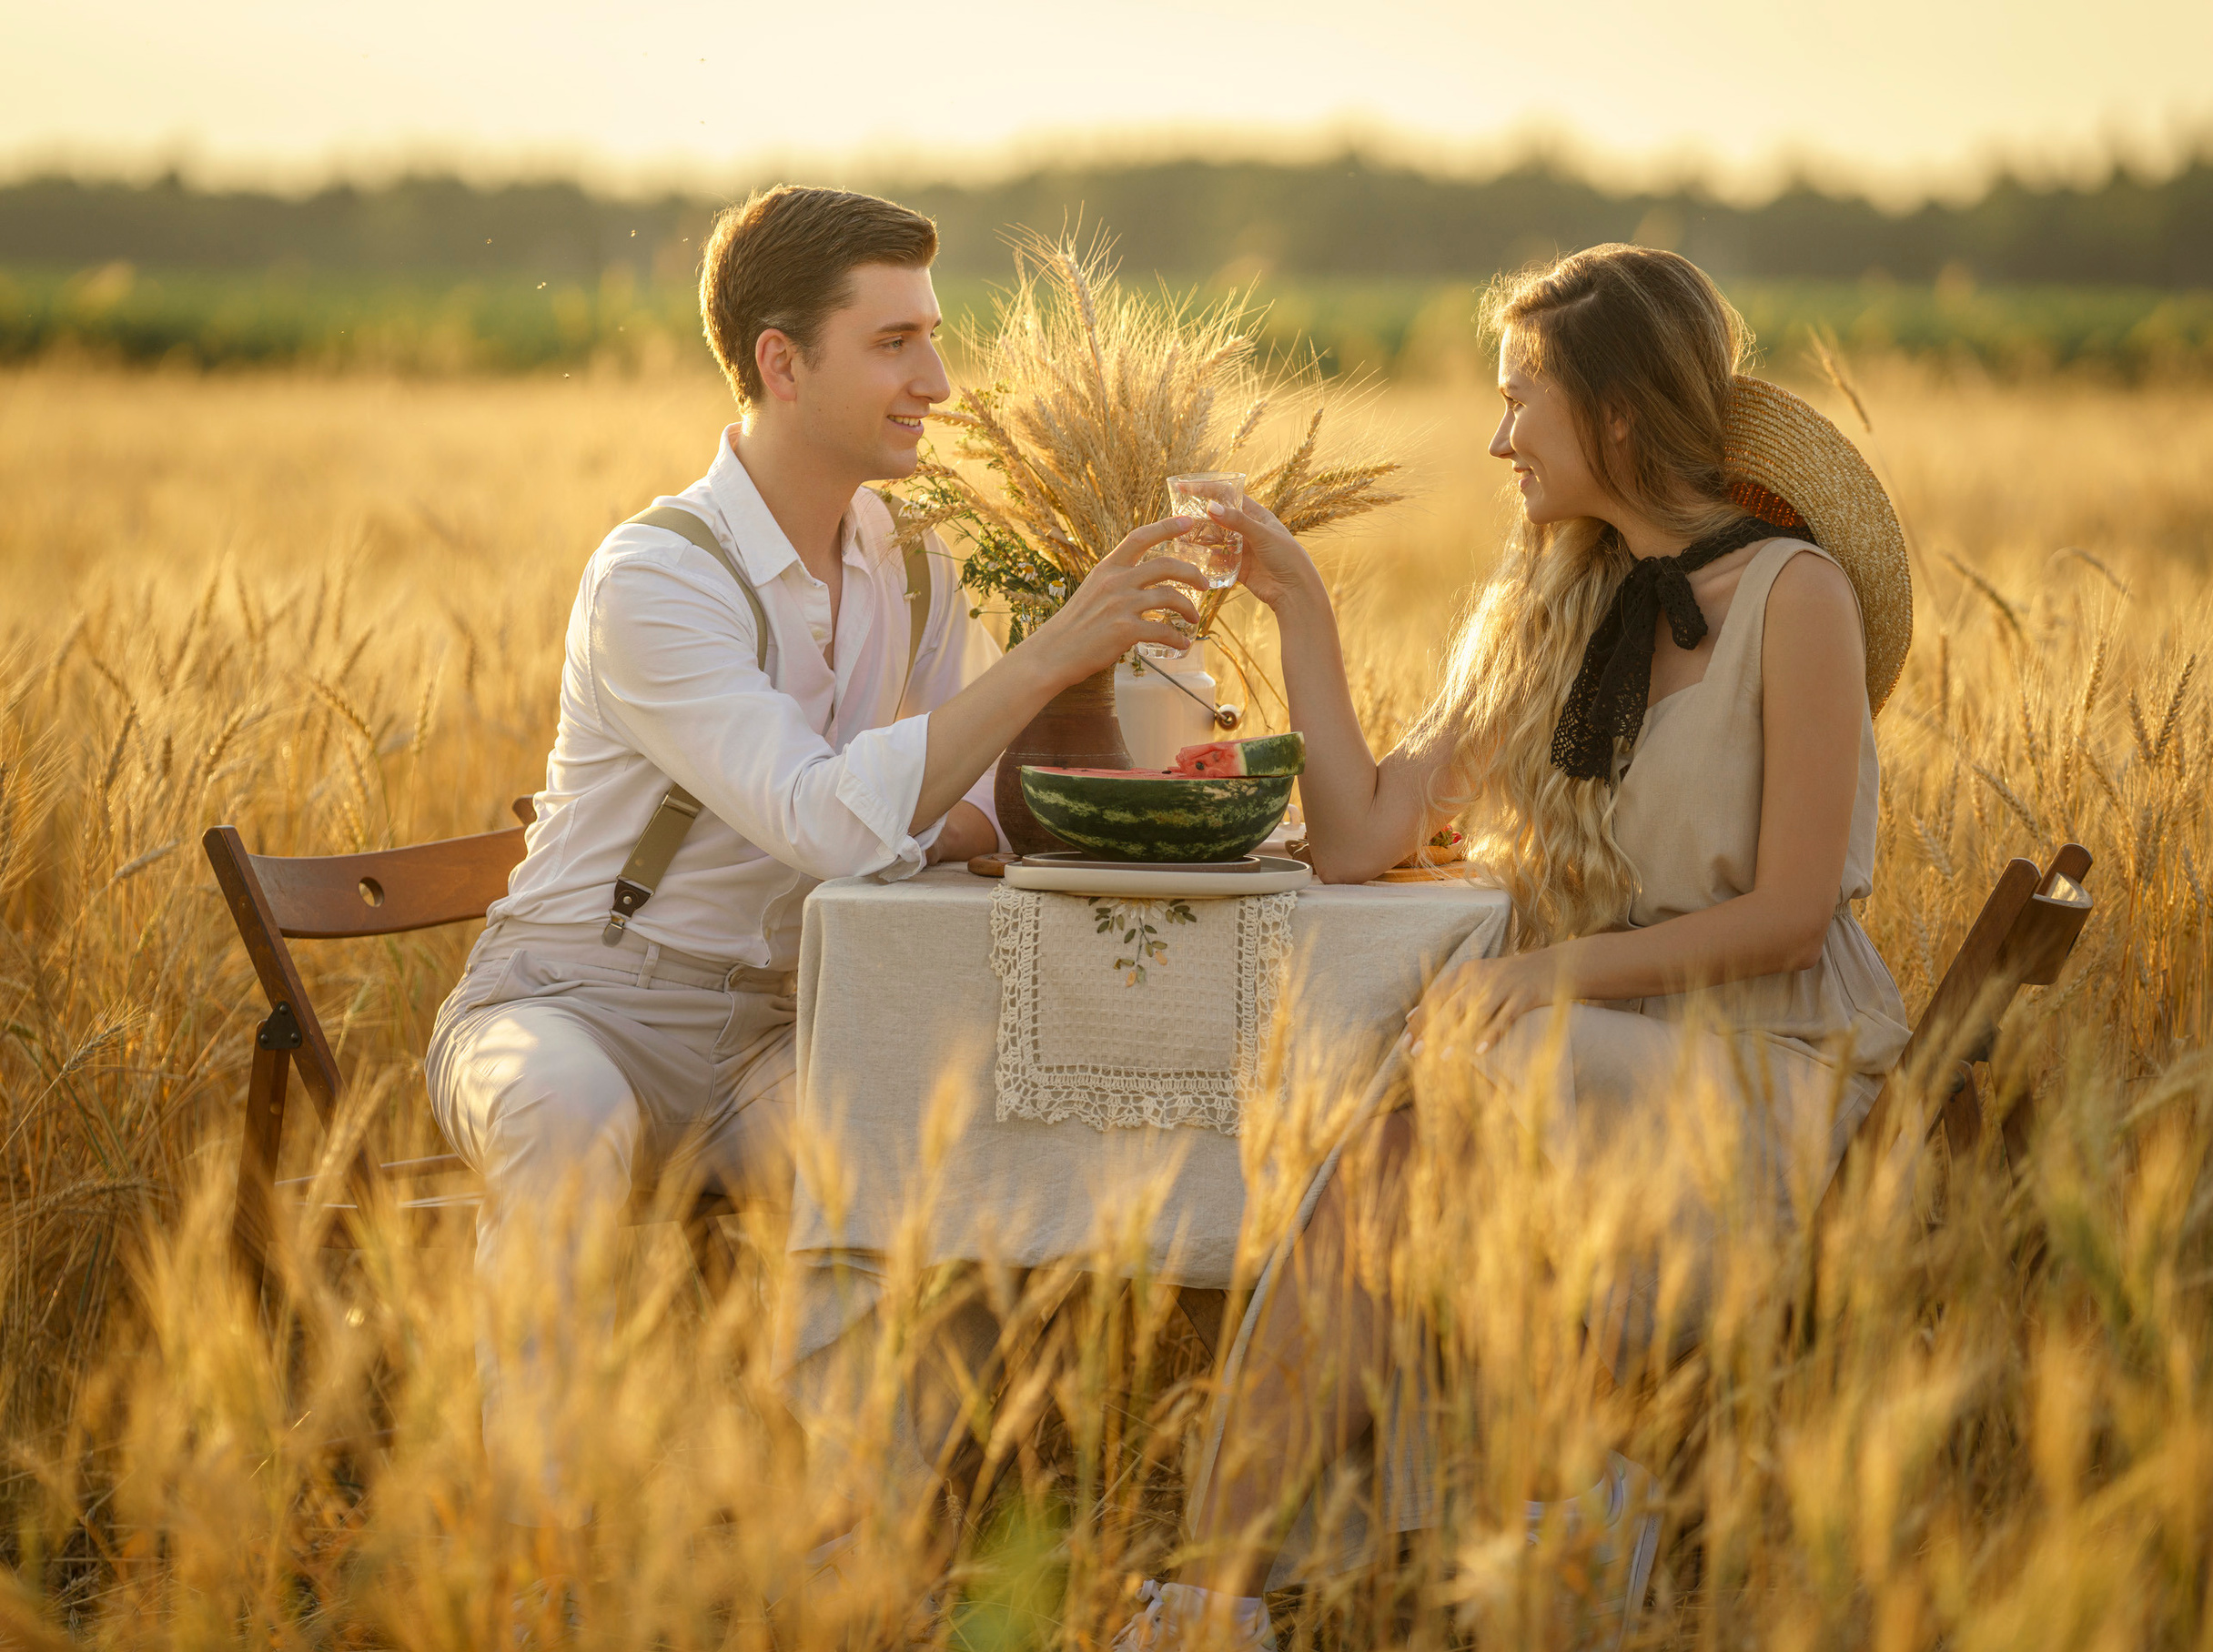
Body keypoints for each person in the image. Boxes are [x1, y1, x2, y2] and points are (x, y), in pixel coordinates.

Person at [1117, 243, 1914, 1647]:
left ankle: (1543, 1514)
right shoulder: (1546, 605)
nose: (1495, 439)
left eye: (1516, 402)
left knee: (1474, 1073)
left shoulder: (1799, 600)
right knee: (1386, 1170)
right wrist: (1299, 597)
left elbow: (1792, 911)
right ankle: (1228, 1593)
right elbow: (1364, 835)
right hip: (1568, 1060)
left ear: (1611, 412)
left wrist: (1541, 977)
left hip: (1770, 1060)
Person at [423, 185, 1205, 1532]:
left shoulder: (909, 562)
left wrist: (1131, 707)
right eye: (896, 342)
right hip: (571, 1002)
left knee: (943, 1151)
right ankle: (534, 1555)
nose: (940, 382)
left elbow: (951, 804)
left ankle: (850, 1540)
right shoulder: (655, 577)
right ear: (783, 364)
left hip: (784, 1027)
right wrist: (1045, 661)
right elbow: (827, 818)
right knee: (567, 1119)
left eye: (934, 338)